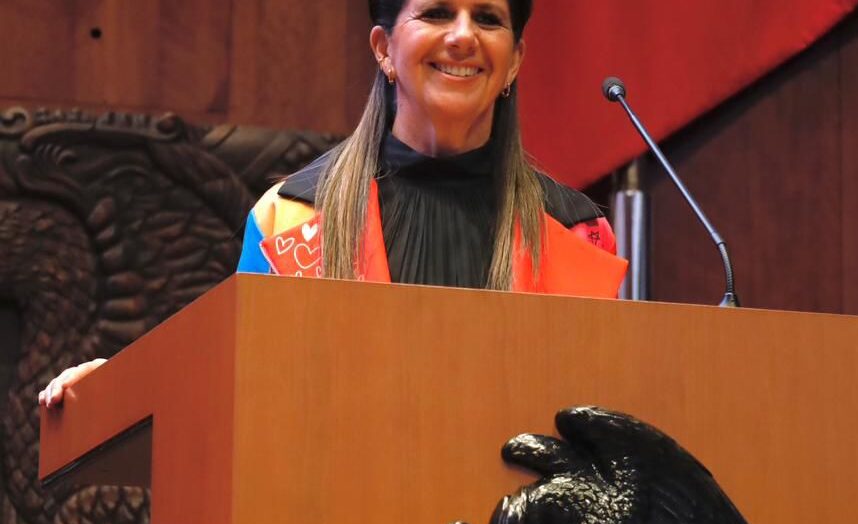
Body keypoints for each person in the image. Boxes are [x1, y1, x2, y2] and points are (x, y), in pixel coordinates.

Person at [39, 0, 627, 408]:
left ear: (515, 59)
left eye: (488, 18)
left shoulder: (576, 233)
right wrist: (127, 389)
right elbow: (236, 380)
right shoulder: (291, 218)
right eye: (436, 13)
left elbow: (600, 416)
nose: (462, 36)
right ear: (384, 48)